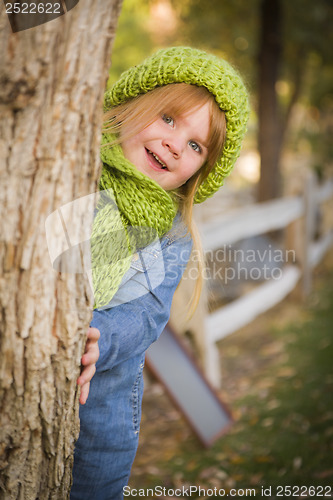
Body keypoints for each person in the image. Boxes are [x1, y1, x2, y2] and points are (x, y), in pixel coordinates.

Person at [71, 46, 249, 500]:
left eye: (195, 145)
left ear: (198, 172)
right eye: (169, 118)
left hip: (102, 423)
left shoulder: (171, 236)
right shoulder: (71, 176)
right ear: (134, 102)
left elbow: (149, 315)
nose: (174, 144)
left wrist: (100, 336)